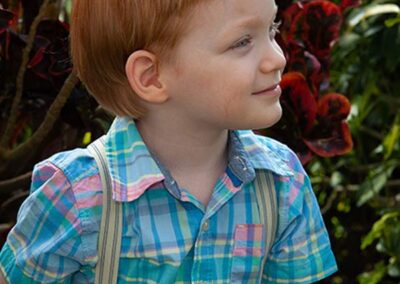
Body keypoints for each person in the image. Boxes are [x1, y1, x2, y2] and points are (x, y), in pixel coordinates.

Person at [0, 0, 338, 283]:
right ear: (151, 76)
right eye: (242, 42)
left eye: (272, 29)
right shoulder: (78, 196)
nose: (277, 58)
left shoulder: (281, 182)